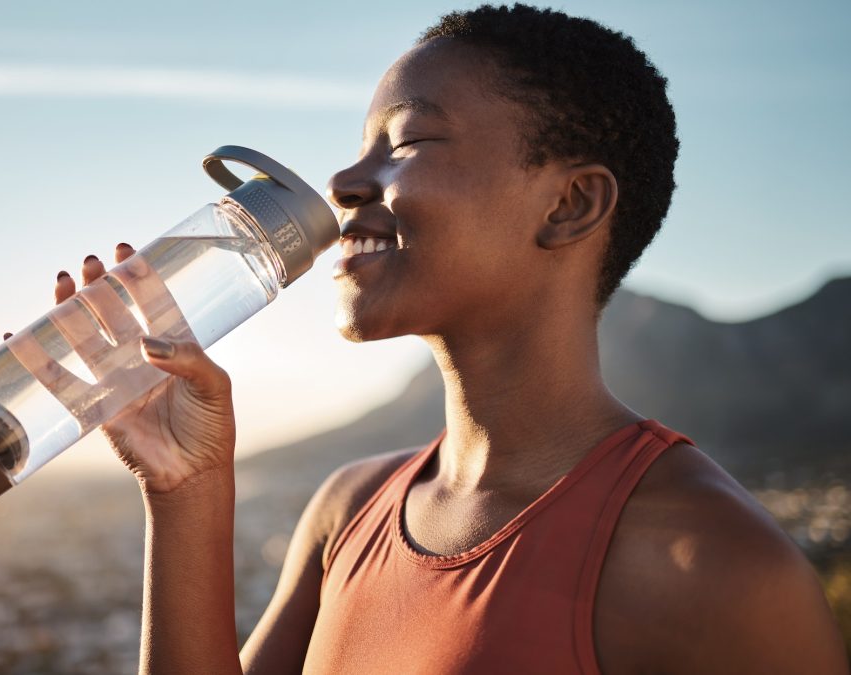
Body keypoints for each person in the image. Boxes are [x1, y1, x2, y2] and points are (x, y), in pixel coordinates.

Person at [52, 5, 848, 673]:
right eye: (361, 148)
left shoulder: (716, 567)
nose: (344, 184)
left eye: (406, 143)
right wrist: (183, 489)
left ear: (570, 204)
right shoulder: (348, 510)